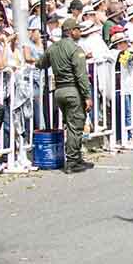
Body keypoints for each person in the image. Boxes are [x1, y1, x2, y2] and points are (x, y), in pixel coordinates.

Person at [36, 18, 93, 174]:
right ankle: (73, 161)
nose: (80, 32)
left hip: (59, 91)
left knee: (69, 124)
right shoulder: (75, 49)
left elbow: (40, 63)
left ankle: (76, 156)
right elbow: (81, 75)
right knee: (76, 127)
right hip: (72, 90)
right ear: (71, 31)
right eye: (78, 29)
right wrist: (87, 96)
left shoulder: (53, 48)